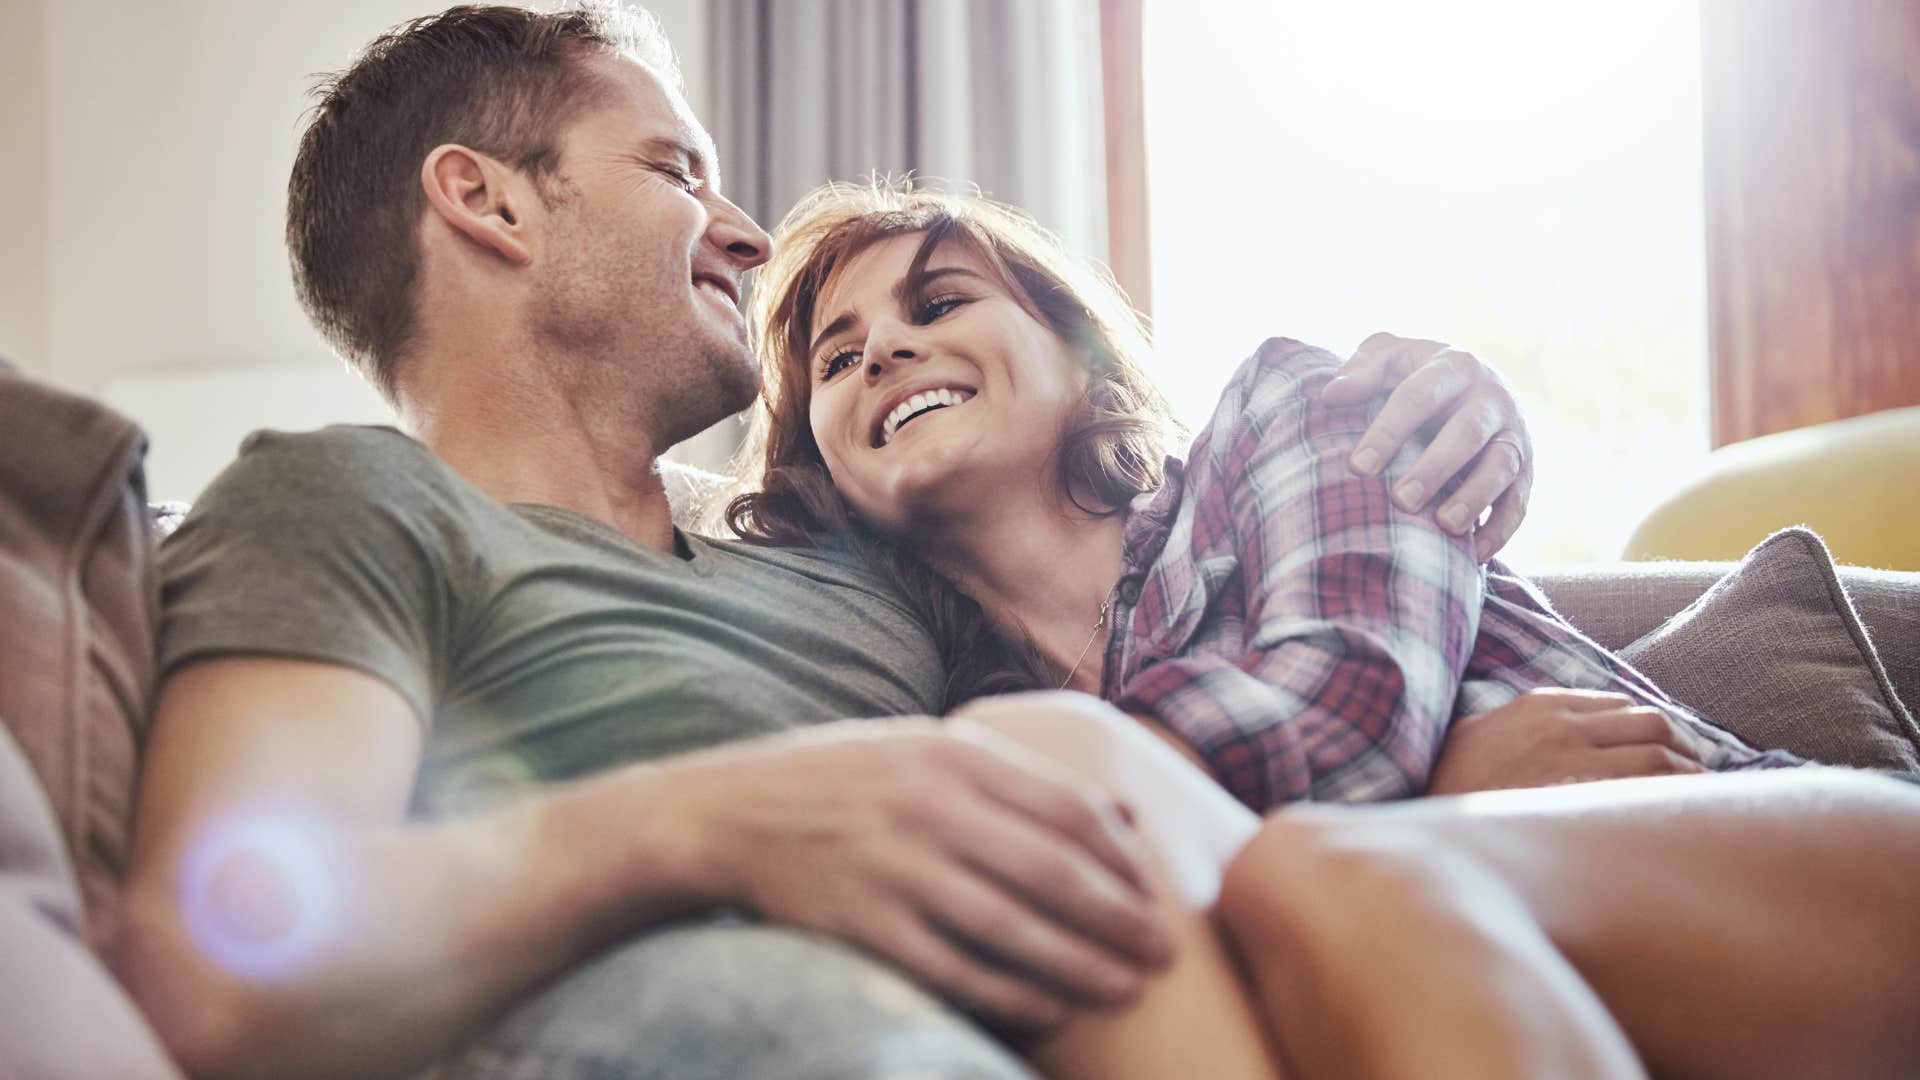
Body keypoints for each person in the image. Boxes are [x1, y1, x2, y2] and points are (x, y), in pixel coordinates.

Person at [108, 6, 1542, 1080]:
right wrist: (707, 824)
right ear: (486, 199)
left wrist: (1448, 660)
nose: (744, 233)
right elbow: (214, 970)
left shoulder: (858, 566)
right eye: (680, 169)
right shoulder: (349, 502)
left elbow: (1150, 639)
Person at [725, 179, 1920, 1077]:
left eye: (939, 302)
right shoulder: (962, 709)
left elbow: (1352, 709)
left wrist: (1403, 787)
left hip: (1801, 871)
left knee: (1321, 866)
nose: (883, 347)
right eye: (838, 358)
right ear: (824, 465)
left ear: (1080, 359)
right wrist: (1451, 792)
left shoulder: (1285, 416)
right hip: (1498, 990)